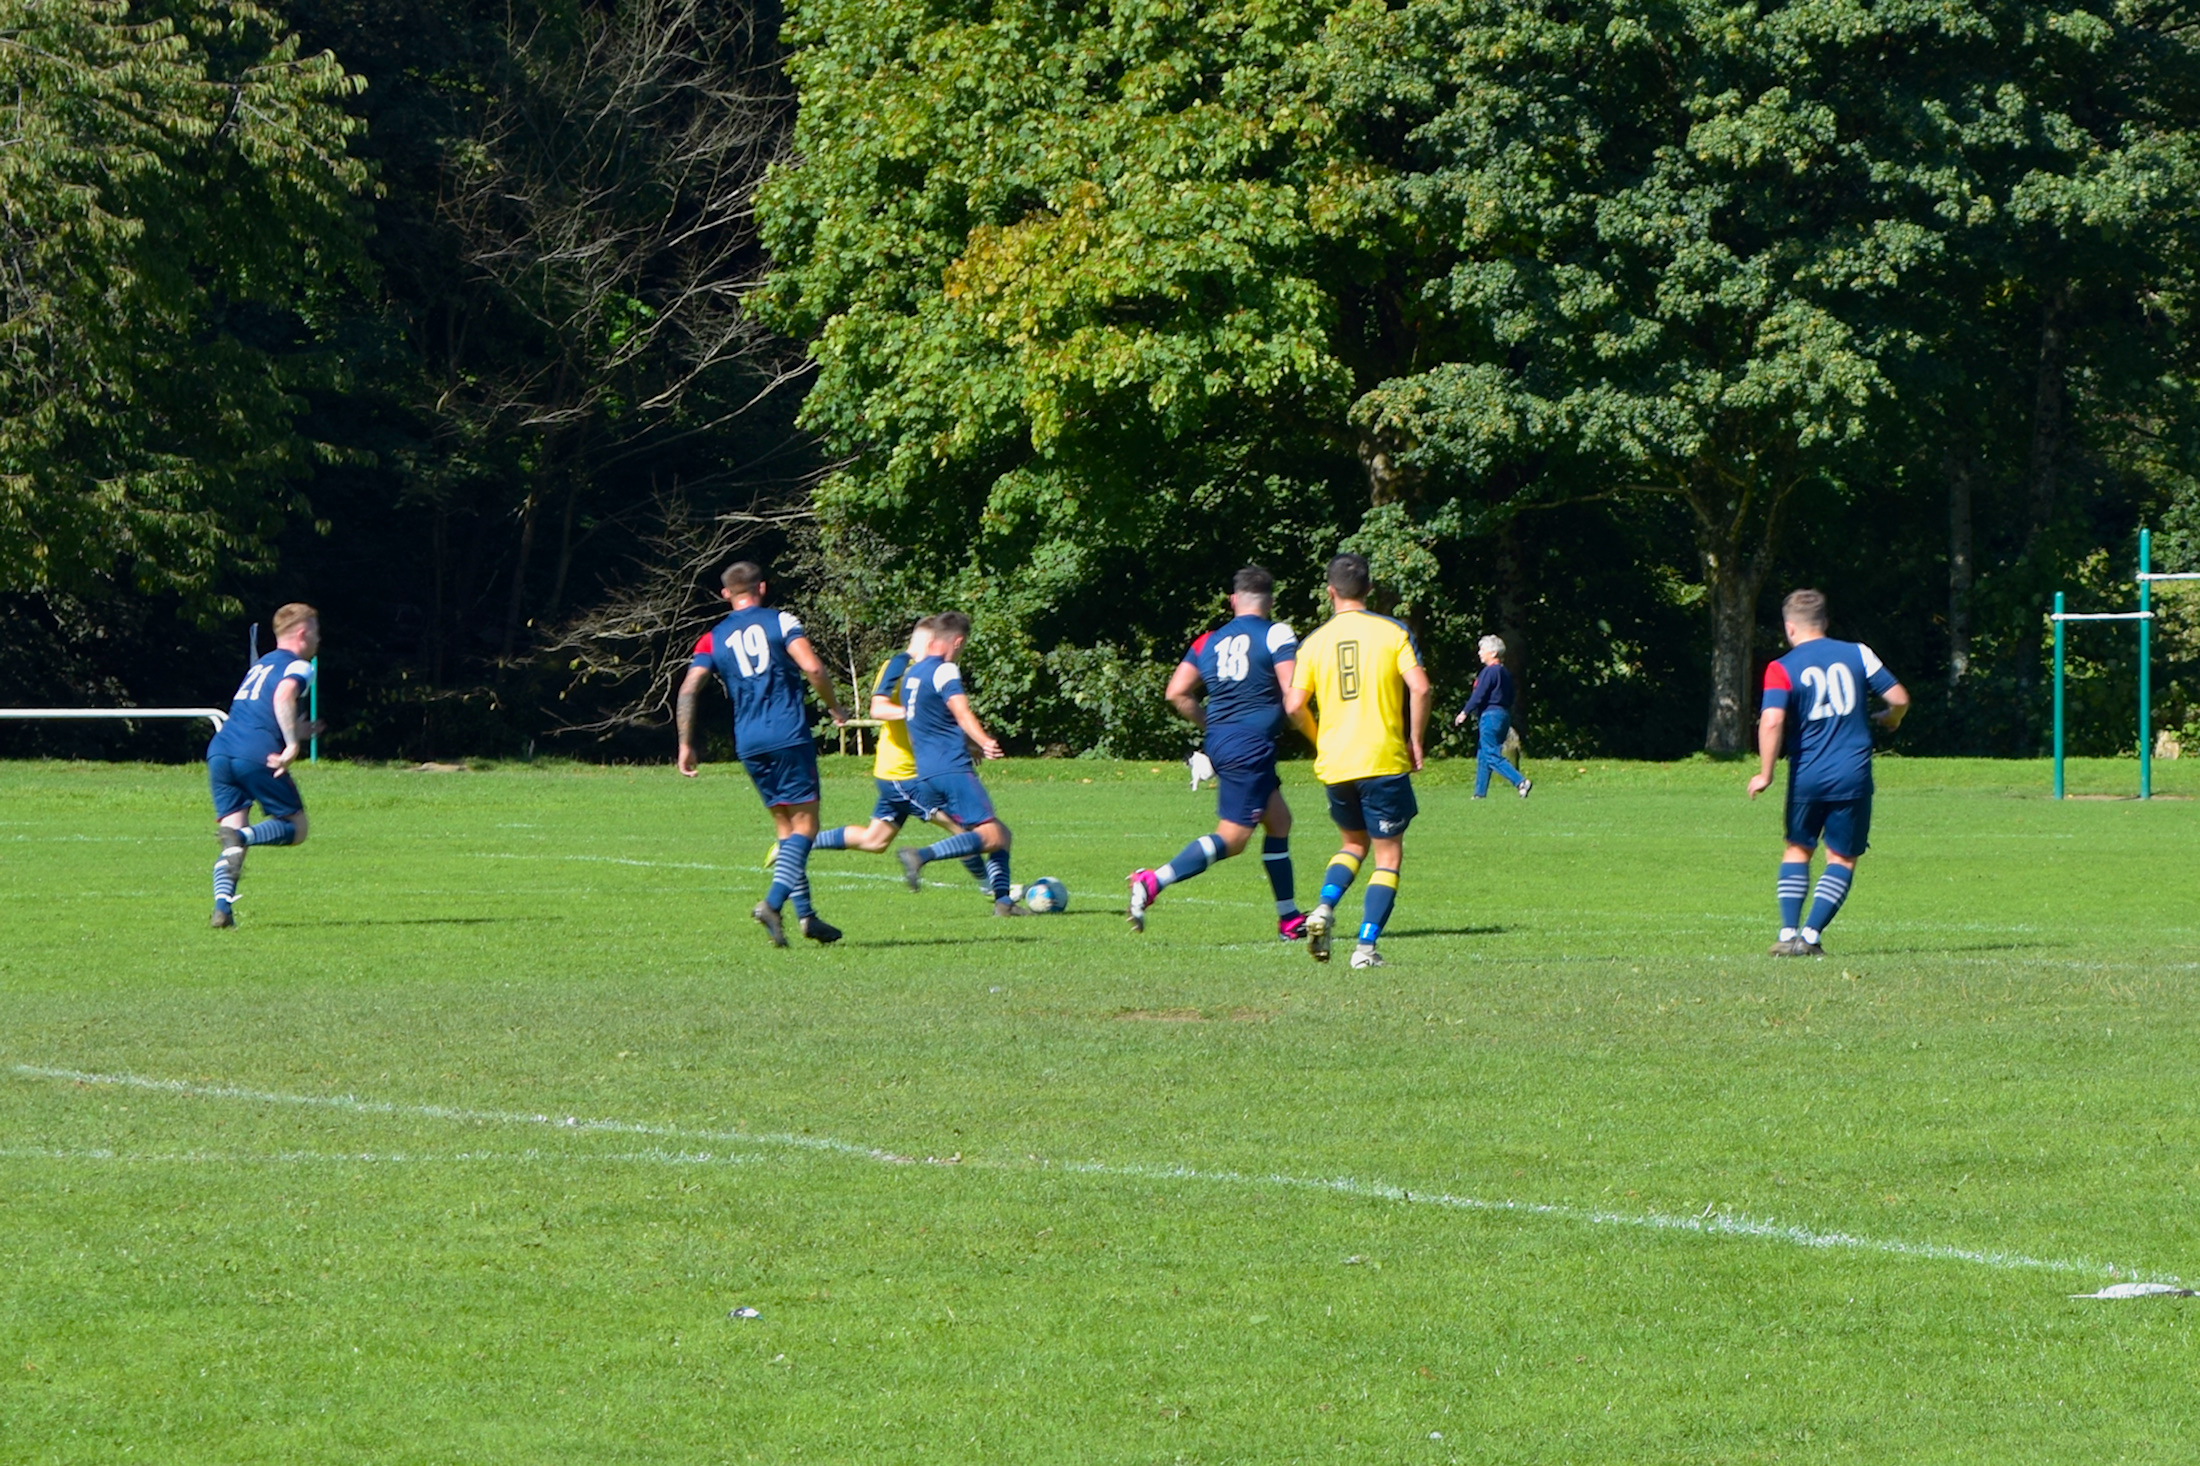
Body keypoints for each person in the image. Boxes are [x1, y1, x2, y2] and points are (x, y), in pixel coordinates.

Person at [1126, 565, 1307, 939]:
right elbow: (1293, 695)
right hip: (1250, 745)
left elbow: (1176, 692)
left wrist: (1214, 727)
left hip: (1225, 742)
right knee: (1234, 838)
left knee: (1279, 821)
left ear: (1233, 600)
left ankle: (1289, 918)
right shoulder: (1277, 633)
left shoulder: (1206, 641)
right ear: (1270, 601)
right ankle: (1153, 880)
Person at [676, 561, 850, 947]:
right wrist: (835, 707)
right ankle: (772, 903)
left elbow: (688, 690)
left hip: (749, 741)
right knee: (806, 828)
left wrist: (686, 743)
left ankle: (806, 917)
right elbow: (813, 668)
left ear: (726, 594)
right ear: (763, 588)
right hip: (786, 734)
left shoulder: (712, 637)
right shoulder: (782, 621)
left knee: (786, 831)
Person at [1283, 554, 1432, 968]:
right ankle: (1365, 948)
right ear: (1369, 589)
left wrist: (1319, 738)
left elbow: (1294, 705)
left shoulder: (1313, 642)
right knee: (1388, 856)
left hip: (1337, 764)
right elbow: (1420, 689)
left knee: (1352, 843)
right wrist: (1415, 739)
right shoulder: (1392, 632)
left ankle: (1324, 909)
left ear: (1330, 592)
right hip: (1381, 760)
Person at [1747, 588, 1909, 957]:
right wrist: (1891, 718)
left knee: (1798, 848)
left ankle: (1787, 933)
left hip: (1807, 774)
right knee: (1841, 857)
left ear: (1790, 628)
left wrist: (1765, 772)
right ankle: (1812, 936)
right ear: (1825, 623)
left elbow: (1771, 721)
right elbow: (1899, 698)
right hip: (1852, 773)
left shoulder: (1781, 667)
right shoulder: (1858, 653)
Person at [811, 618, 992, 887]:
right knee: (961, 827)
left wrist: (966, 742)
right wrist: (917, 712)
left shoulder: (928, 671)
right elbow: (878, 709)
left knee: (874, 840)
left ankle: (795, 845)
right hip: (901, 772)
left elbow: (941, 718)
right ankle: (992, 888)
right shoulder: (899, 664)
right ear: (928, 641)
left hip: (913, 769)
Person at [893, 612, 1023, 915]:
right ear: (958, 641)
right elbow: (961, 712)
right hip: (951, 767)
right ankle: (920, 856)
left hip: (926, 769)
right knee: (993, 835)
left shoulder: (912, 675)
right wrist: (984, 741)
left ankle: (1003, 902)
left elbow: (925, 723)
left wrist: (966, 744)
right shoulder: (945, 669)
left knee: (998, 834)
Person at [206, 603, 324, 929]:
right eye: (315, 630)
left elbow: (259, 708)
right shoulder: (300, 666)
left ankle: (222, 909)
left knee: (231, 831)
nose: (318, 638)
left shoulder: (262, 665)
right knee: (296, 828)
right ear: (302, 633)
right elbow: (283, 696)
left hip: (221, 750)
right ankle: (243, 836)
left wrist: (295, 728)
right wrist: (292, 743)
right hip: (253, 753)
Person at [1453, 635, 1530, 798]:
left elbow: (1479, 694)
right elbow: (1511, 696)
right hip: (1503, 715)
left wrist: (1464, 712)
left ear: (1493, 653)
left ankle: (1520, 781)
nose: (1479, 653)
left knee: (1491, 754)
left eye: (1482, 649)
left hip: (1490, 716)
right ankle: (1479, 794)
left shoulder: (1489, 672)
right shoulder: (1505, 673)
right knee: (1483, 754)